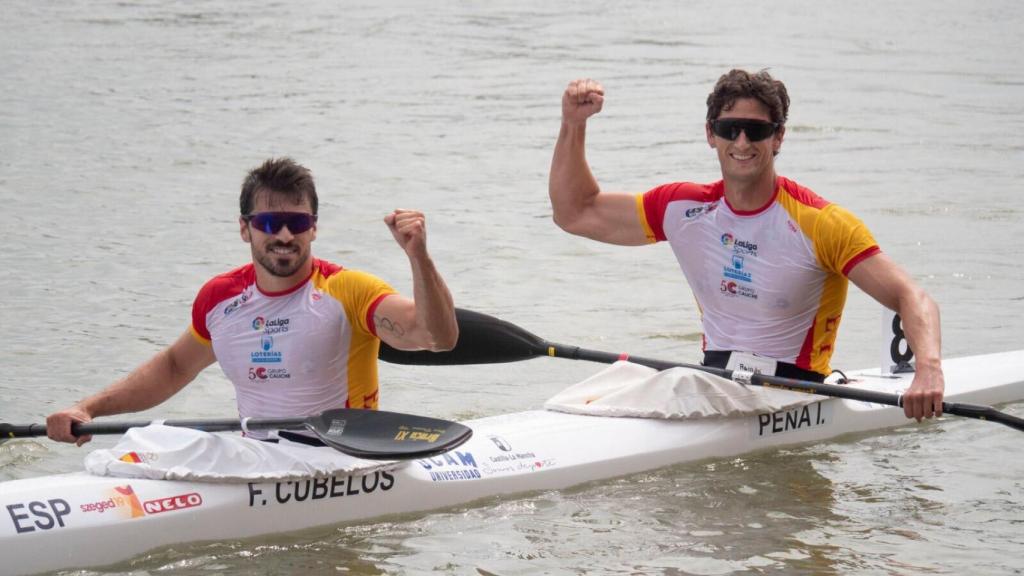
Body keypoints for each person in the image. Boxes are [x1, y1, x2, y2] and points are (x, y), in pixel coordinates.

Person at [548, 70, 944, 421]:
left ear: (778, 138)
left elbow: (912, 297)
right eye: (729, 128)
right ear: (710, 134)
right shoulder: (683, 208)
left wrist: (928, 369)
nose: (741, 141)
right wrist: (572, 124)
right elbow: (575, 212)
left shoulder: (821, 223)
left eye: (756, 131)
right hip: (715, 381)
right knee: (620, 374)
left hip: (791, 393)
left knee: (677, 382)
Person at [47, 157, 459, 445]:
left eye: (297, 223)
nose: (283, 235)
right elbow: (173, 368)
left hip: (340, 457)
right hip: (256, 454)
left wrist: (417, 256)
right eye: (268, 223)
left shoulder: (349, 292)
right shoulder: (220, 299)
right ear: (245, 229)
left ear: (313, 229)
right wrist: (88, 408)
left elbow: (436, 337)